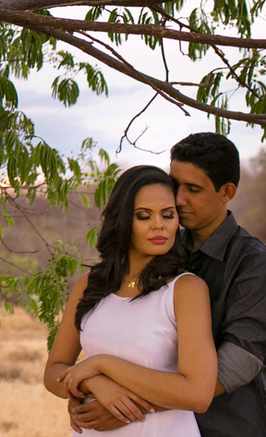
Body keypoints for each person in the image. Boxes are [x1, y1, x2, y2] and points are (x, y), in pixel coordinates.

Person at [68, 134, 266, 436]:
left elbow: (237, 363)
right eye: (175, 184)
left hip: (227, 426)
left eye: (194, 189)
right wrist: (90, 386)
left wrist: (124, 407)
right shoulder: (160, 247)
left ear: (226, 192)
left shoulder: (254, 265)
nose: (179, 198)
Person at [44, 165, 217, 435]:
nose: (159, 225)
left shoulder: (186, 289)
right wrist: (96, 383)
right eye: (144, 216)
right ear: (123, 220)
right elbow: (53, 373)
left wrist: (101, 364)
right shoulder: (89, 285)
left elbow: (197, 393)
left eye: (168, 215)